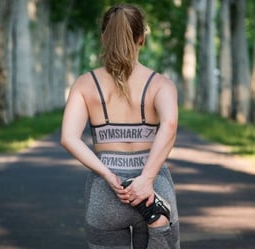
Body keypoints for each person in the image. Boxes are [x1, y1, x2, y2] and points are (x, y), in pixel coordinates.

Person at [61, 3, 180, 249]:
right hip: (153, 194)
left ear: (104, 37)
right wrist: (146, 179)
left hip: (107, 193)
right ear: (142, 38)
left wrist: (108, 175)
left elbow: (68, 137)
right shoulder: (161, 84)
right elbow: (169, 124)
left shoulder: (85, 84)